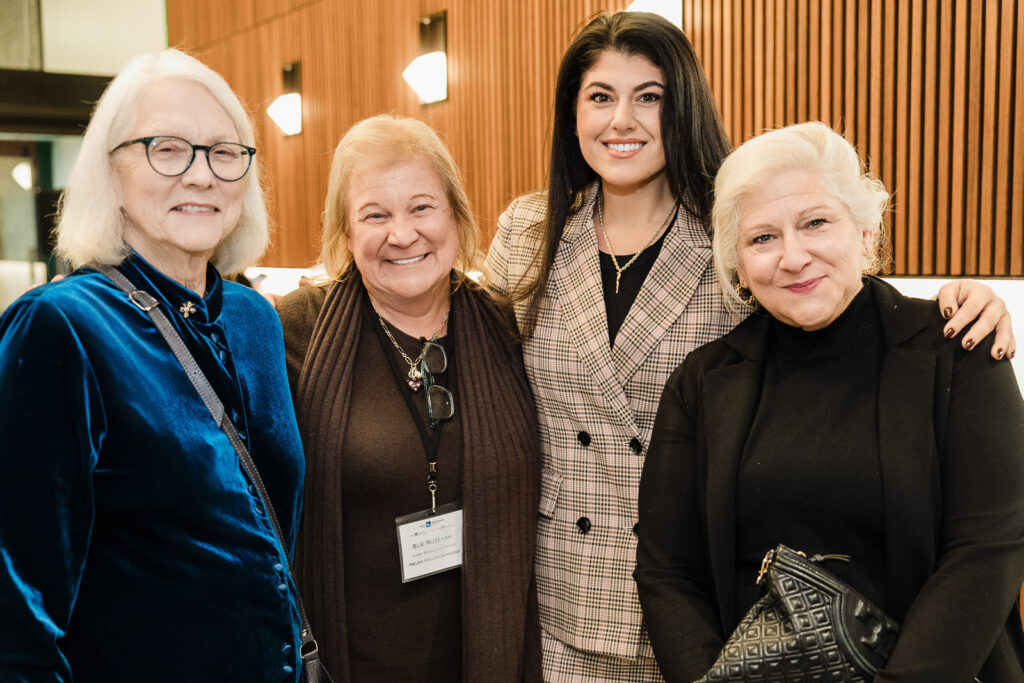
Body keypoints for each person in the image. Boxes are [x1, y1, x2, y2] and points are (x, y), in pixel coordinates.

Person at [484, 10, 1016, 682]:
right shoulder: (531, 233)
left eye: (649, 96)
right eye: (600, 96)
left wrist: (966, 302)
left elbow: (828, 303)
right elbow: (480, 369)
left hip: (727, 619)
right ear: (571, 112)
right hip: (571, 591)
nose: (623, 120)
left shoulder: (729, 229)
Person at [635, 121, 1024, 682]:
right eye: (762, 238)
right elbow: (669, 572)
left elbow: (987, 549)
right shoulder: (701, 382)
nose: (793, 257)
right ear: (740, 268)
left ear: (866, 235)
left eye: (816, 223)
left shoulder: (958, 351)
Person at [0, 50, 307, 680]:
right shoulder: (63, 326)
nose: (201, 175)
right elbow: (16, 612)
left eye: (224, 152)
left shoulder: (253, 320)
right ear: (109, 174)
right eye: (167, 148)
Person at [276, 114, 541, 682]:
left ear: (456, 215)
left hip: (489, 657)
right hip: (350, 663)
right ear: (346, 234)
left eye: (422, 207)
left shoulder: (507, 327)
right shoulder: (294, 333)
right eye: (376, 214)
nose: (402, 234)